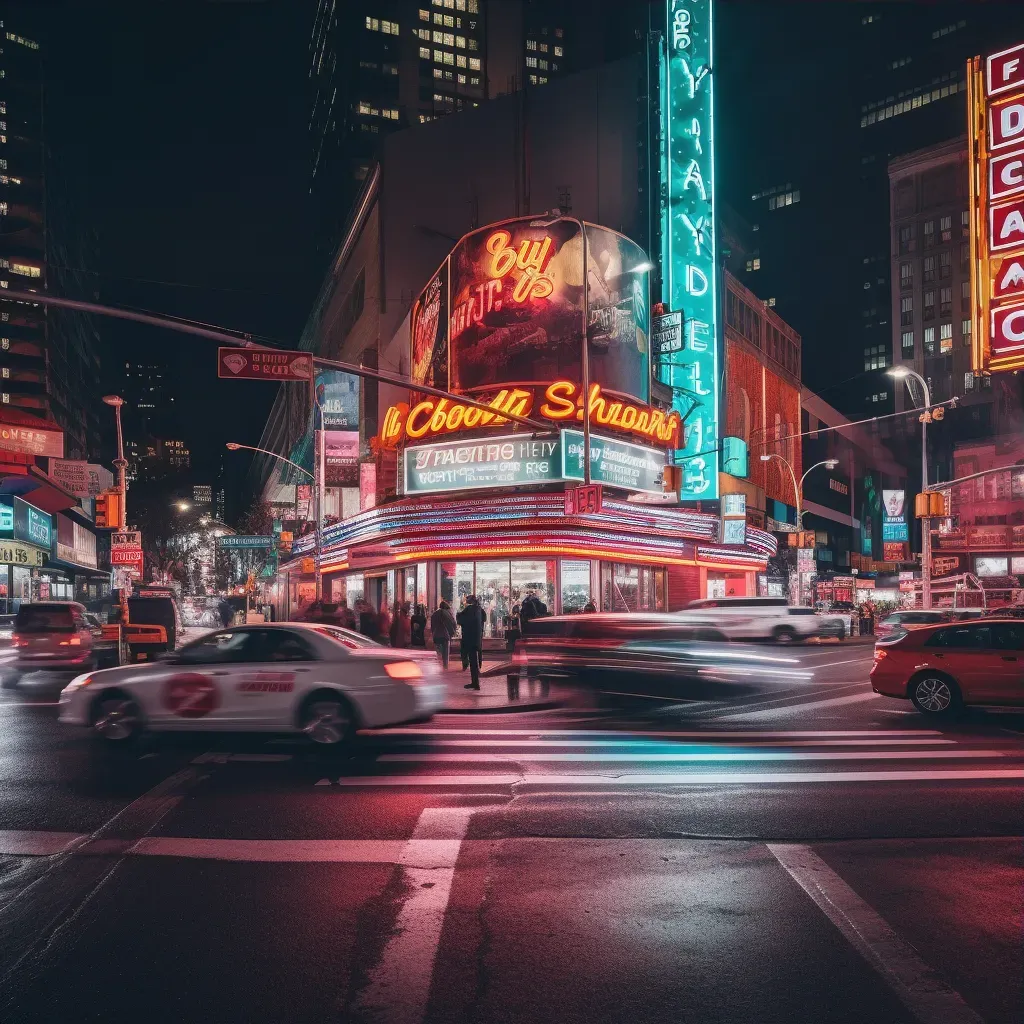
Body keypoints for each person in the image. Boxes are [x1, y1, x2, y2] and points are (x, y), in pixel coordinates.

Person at [456, 594, 486, 690]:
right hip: (477, 637)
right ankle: (475, 682)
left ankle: (475, 682)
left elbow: (461, 620)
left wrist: (458, 615)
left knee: (471, 658)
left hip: (469, 637)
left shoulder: (469, 609)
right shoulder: (479, 609)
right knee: (475, 660)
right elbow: (484, 619)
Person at [430, 600, 456, 669]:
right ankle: (445, 666)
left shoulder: (434, 614)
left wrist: (433, 634)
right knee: (446, 652)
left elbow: (432, 626)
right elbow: (453, 623)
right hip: (445, 635)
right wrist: (452, 632)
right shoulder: (447, 613)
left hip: (436, 635)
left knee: (439, 651)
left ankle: (440, 664)